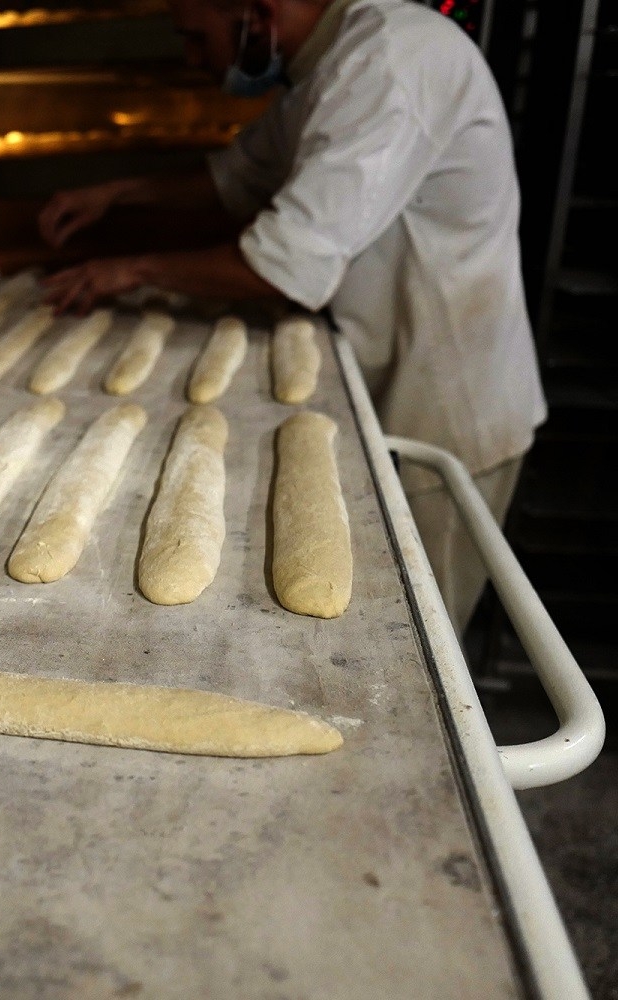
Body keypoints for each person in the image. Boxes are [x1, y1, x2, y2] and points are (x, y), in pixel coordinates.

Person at [39, 0, 546, 637]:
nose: (195, 62)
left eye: (198, 38)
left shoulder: (389, 59)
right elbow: (238, 176)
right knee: (360, 620)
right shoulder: (329, 67)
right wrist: (114, 193)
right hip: (375, 379)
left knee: (417, 642)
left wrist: (132, 270)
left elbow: (281, 265)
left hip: (442, 408)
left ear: (257, 13)